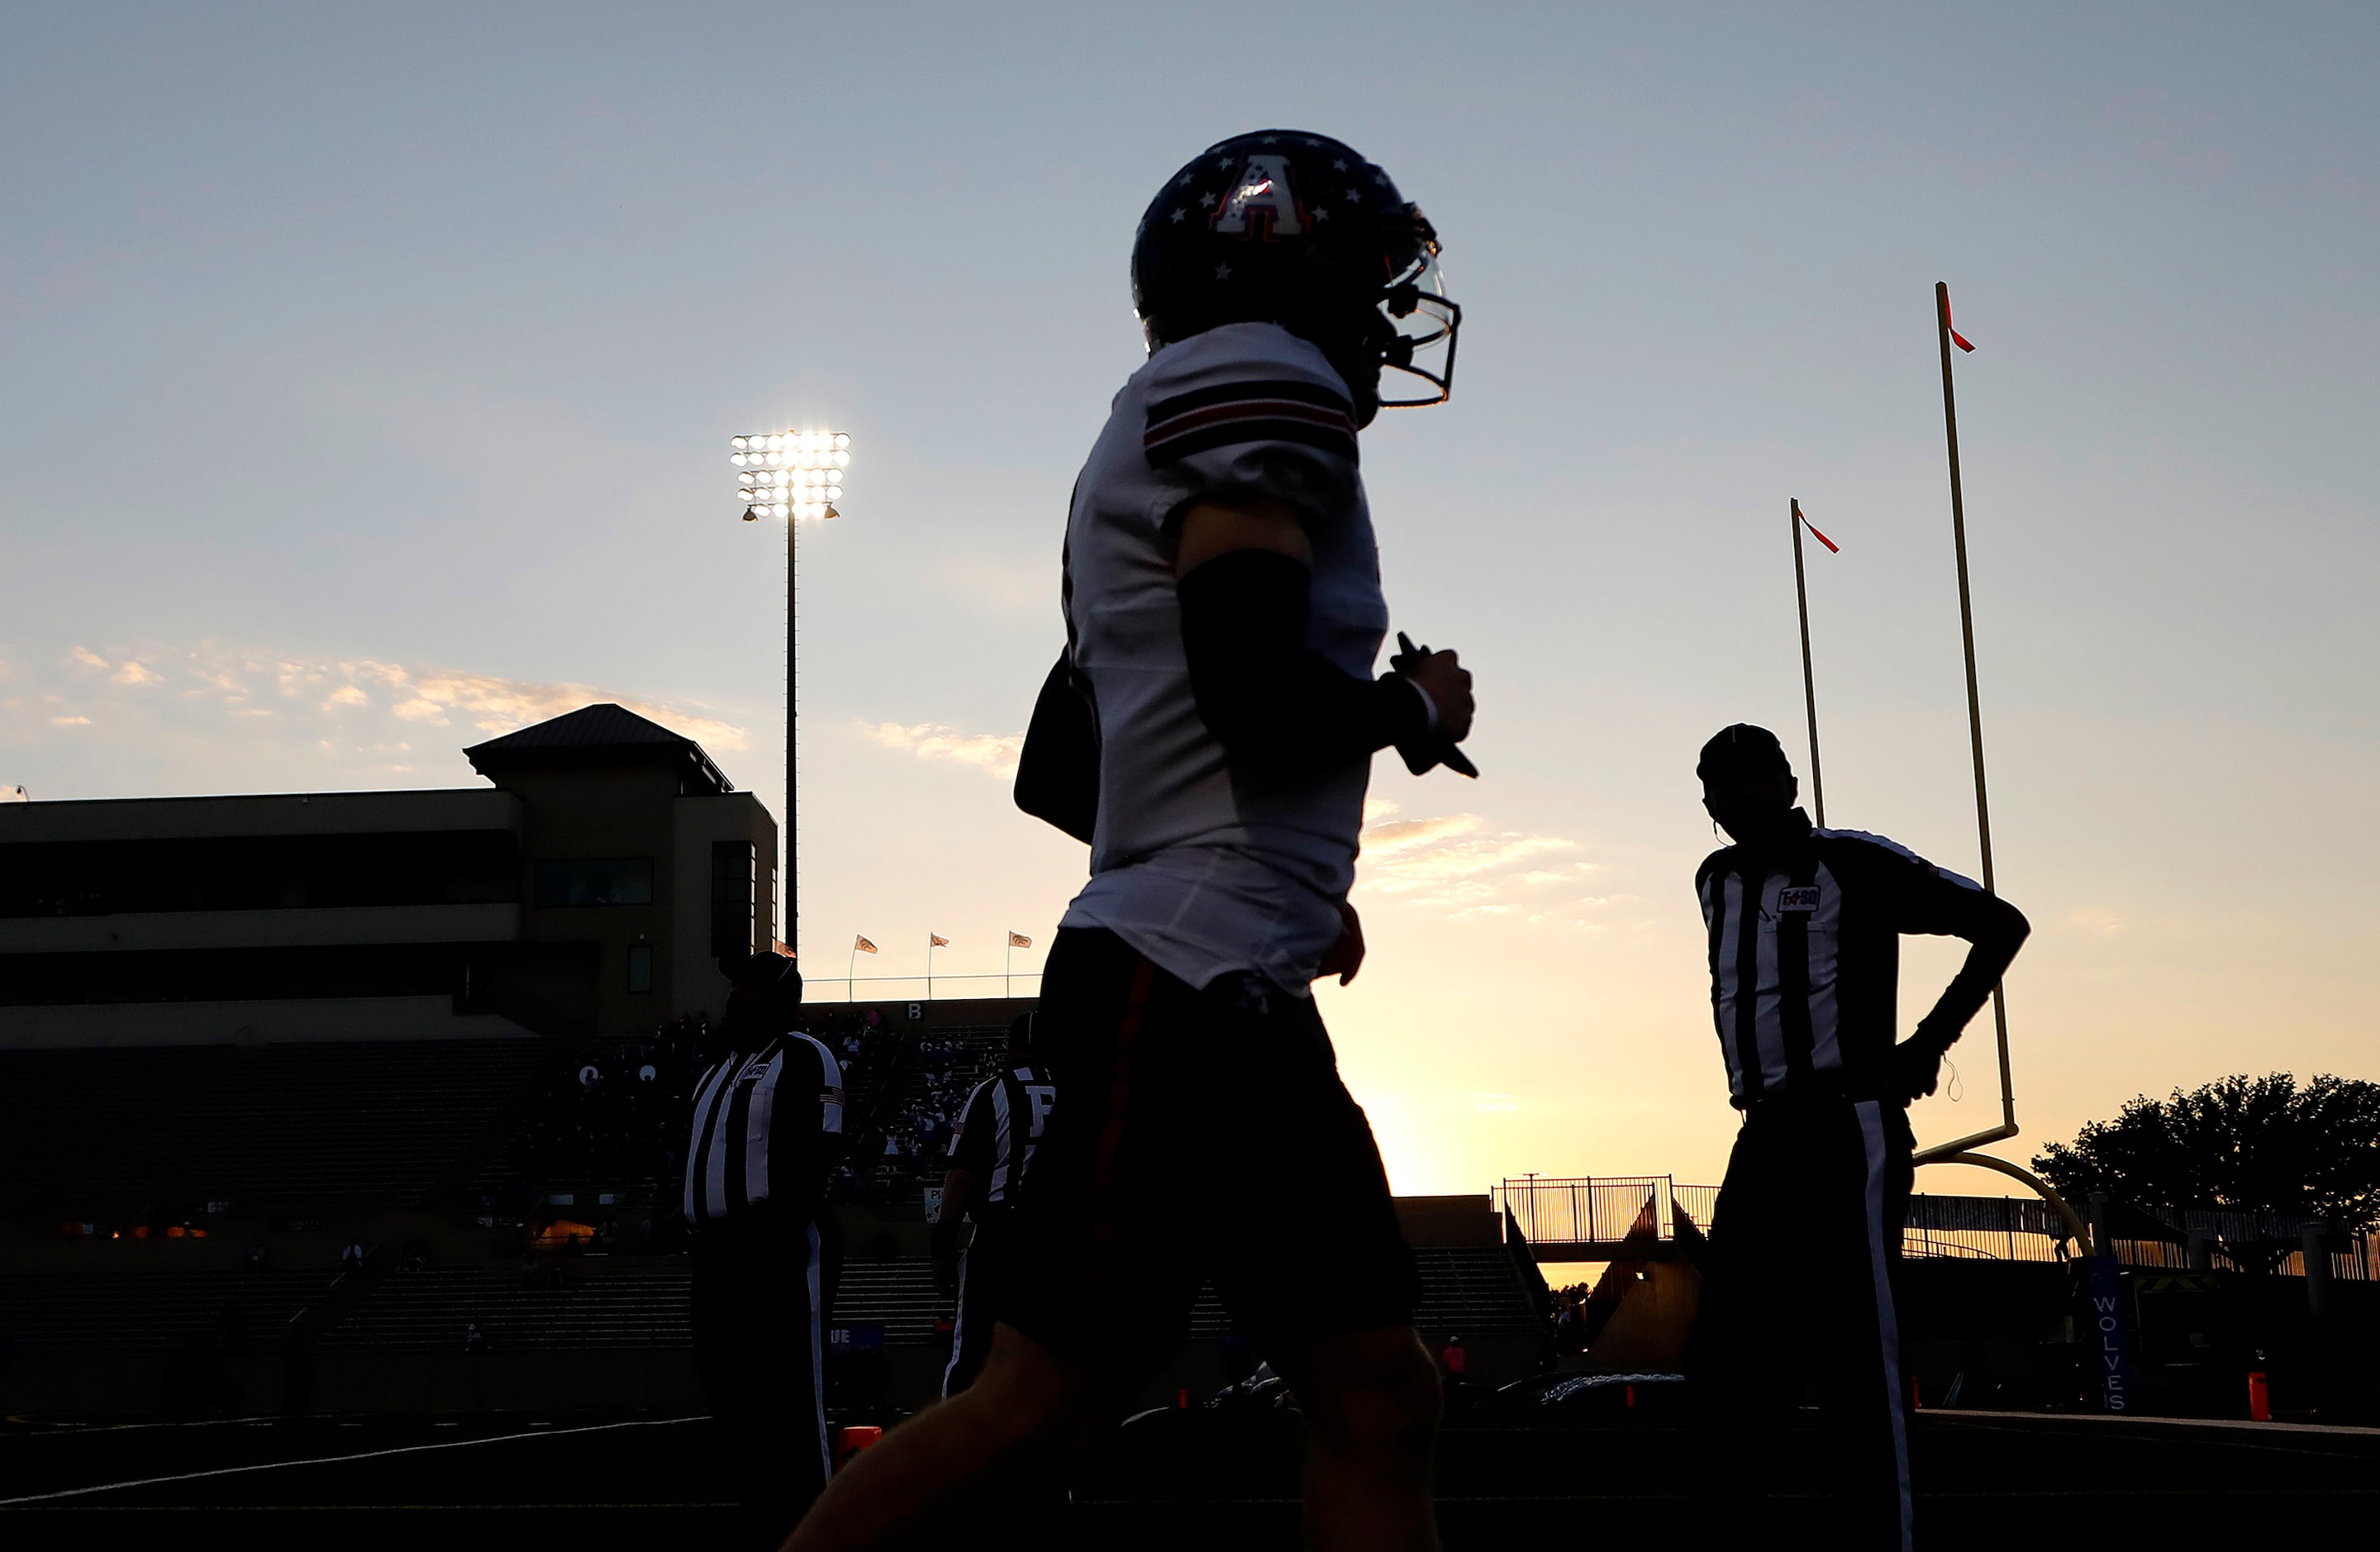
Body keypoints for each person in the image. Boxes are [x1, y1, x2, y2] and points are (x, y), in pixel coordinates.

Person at [788, 129, 1472, 1552]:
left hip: (1220, 962)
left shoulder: (1170, 408)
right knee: (1045, 1402)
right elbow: (1253, 698)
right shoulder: (1256, 383)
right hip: (1188, 970)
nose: (1388, 315)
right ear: (1289, 266)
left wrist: (1286, 881)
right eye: (1370, 278)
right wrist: (1411, 704)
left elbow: (1088, 766)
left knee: (1376, 1387)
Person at [1684, 724, 2030, 1550]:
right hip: (1762, 1130)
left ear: (1788, 783)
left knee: (1856, 1353)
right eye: (1717, 785)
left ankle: (1885, 1539)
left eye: (1750, 779)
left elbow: (2001, 923)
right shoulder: (1716, 878)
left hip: (1848, 1122)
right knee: (1731, 1352)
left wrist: (1928, 1042)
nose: (1734, 798)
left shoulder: (1854, 862)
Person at [683, 951, 846, 1550]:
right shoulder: (715, 1070)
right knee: (733, 1401)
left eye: (745, 988)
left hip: (774, 1242)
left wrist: (779, 1242)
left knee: (791, 1400)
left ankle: (819, 1529)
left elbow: (816, 1149)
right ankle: (765, 1524)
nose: (731, 999)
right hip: (718, 1252)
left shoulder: (804, 1055)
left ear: (781, 999)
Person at [933, 1013, 1058, 1397]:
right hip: (1064, 1236)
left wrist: (941, 1246)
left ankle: (956, 1448)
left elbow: (962, 1177)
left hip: (1002, 1237)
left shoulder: (992, 1092)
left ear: (1011, 1047)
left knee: (973, 1354)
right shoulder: (1081, 1091)